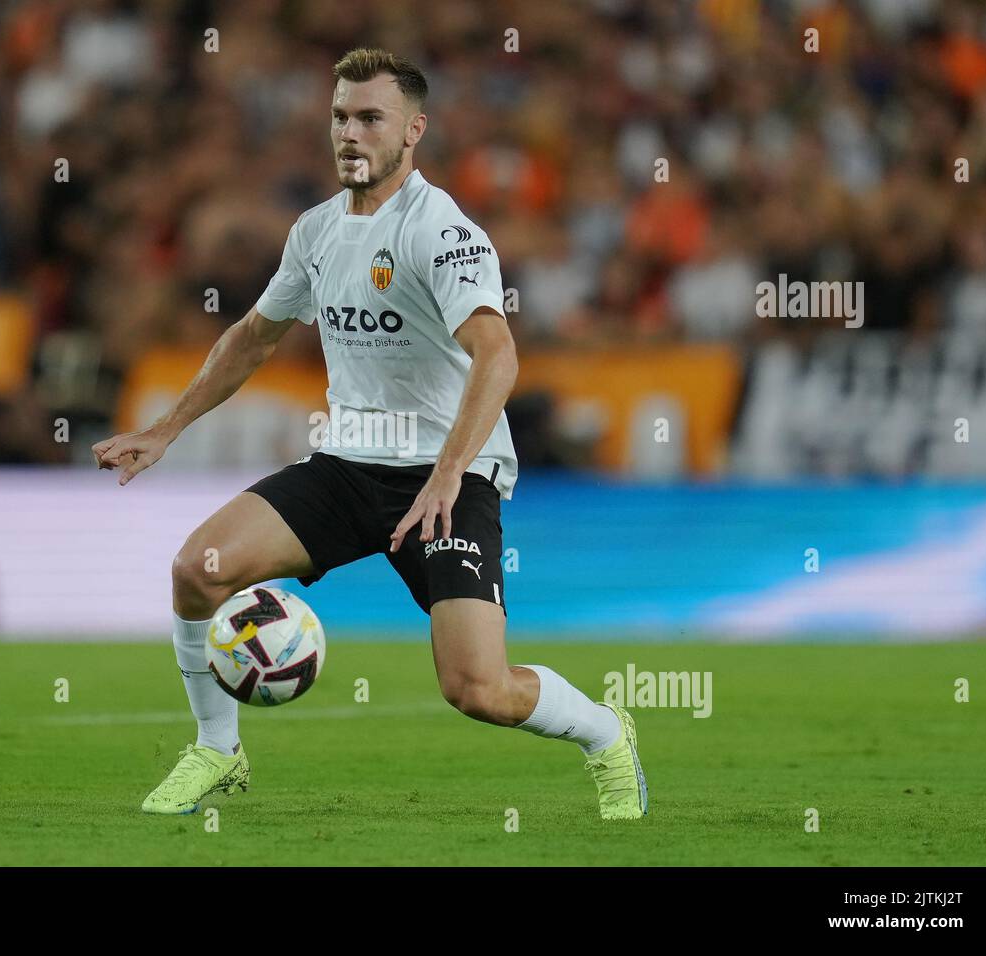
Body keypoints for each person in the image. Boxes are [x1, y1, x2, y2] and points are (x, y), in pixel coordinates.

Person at [93, 48, 647, 821]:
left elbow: (499, 353)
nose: (349, 133)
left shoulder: (443, 232)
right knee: (198, 569)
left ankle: (604, 732)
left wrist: (452, 472)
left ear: (414, 130)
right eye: (340, 118)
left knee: (477, 690)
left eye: (370, 118)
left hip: (445, 477)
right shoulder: (316, 232)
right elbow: (254, 336)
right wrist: (165, 430)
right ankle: (217, 750)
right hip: (348, 464)